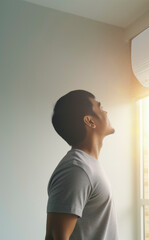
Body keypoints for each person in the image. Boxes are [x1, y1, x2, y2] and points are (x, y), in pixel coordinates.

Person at [45, 90, 119, 240]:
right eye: (100, 107)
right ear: (90, 121)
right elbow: (54, 237)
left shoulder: (87, 165)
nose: (105, 111)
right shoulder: (76, 169)